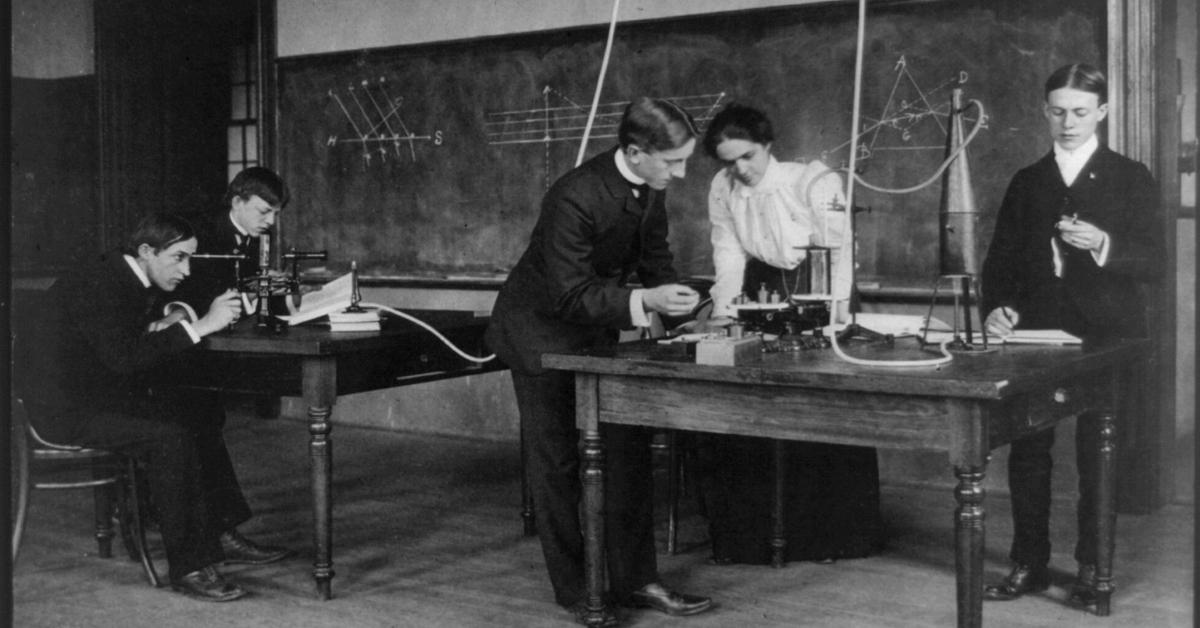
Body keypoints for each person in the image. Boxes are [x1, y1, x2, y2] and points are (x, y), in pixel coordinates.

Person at [486, 97, 713, 626]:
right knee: (559, 466)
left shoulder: (649, 189)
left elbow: (657, 264)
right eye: (672, 162)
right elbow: (568, 295)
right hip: (539, 333)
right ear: (635, 152)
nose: (680, 174)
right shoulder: (573, 195)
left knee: (626, 453)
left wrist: (688, 312)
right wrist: (644, 304)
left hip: (593, 332)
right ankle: (579, 593)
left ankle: (638, 582)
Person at [21, 213, 292, 602]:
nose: (185, 270)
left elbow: (118, 341)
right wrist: (201, 325)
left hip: (89, 394)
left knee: (195, 410)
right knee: (170, 436)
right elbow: (124, 359)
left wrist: (170, 318)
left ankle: (217, 529)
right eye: (178, 258)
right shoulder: (101, 282)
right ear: (147, 251)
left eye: (190, 259)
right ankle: (191, 565)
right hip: (65, 411)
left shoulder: (120, 272)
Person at [980, 63, 1162, 608]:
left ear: (1101, 112)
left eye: (1080, 112)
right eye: (1057, 111)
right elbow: (1000, 265)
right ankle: (1028, 562)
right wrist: (998, 312)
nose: (1067, 122)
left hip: (1109, 333)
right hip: (1037, 335)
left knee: (1097, 455)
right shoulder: (1027, 180)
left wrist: (1104, 243)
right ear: (1044, 111)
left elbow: (1155, 261)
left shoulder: (1132, 177)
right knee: (1028, 449)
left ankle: (1091, 570)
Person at [697, 103, 884, 564]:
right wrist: (725, 310)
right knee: (756, 404)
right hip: (763, 289)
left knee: (820, 406)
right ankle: (751, 536)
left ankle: (832, 537)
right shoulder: (722, 187)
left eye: (747, 157)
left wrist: (836, 314)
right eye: (729, 161)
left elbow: (839, 249)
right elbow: (728, 252)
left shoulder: (813, 180)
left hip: (821, 285)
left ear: (767, 146)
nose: (739, 169)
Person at [173, 166, 289, 317]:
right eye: (264, 211)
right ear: (237, 203)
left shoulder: (263, 235)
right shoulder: (201, 232)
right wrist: (254, 289)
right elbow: (195, 293)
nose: (271, 221)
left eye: (276, 214)